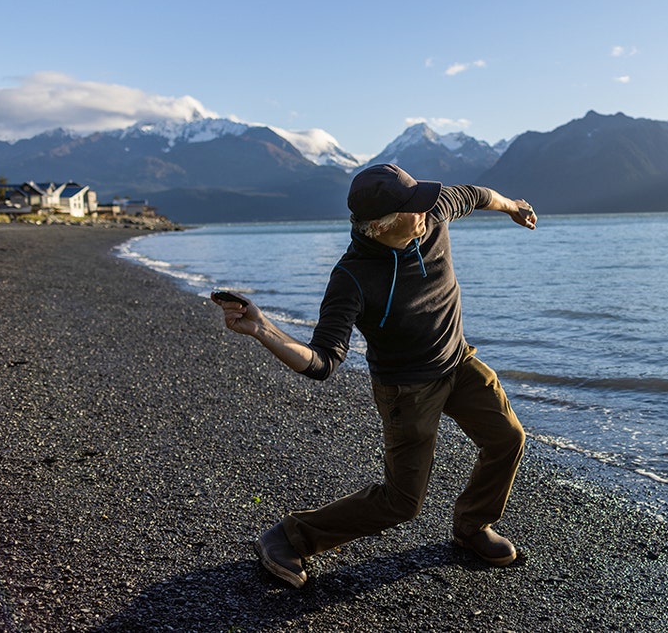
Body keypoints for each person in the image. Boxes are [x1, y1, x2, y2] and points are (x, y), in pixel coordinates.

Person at [213, 163, 537, 588]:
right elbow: (321, 362)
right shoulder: (351, 278)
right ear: (380, 226)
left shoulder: (432, 212)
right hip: (407, 388)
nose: (426, 210)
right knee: (402, 502)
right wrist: (262, 329)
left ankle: (472, 526)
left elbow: (478, 194)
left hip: (458, 361)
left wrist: (512, 206)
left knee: (507, 437)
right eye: (414, 207)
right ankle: (288, 538)